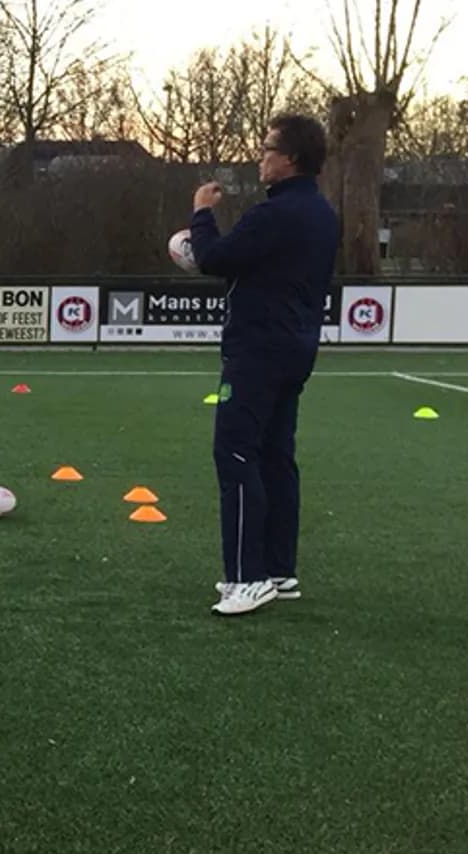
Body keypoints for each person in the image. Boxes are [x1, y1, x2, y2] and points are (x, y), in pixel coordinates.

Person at [188, 113, 339, 617]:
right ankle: (279, 570)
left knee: (235, 453)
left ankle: (247, 577)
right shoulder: (322, 213)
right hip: (297, 348)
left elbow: (213, 258)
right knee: (276, 456)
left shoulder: (274, 214)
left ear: (290, 158)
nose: (261, 158)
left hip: (257, 351)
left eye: (267, 149)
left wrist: (201, 214)